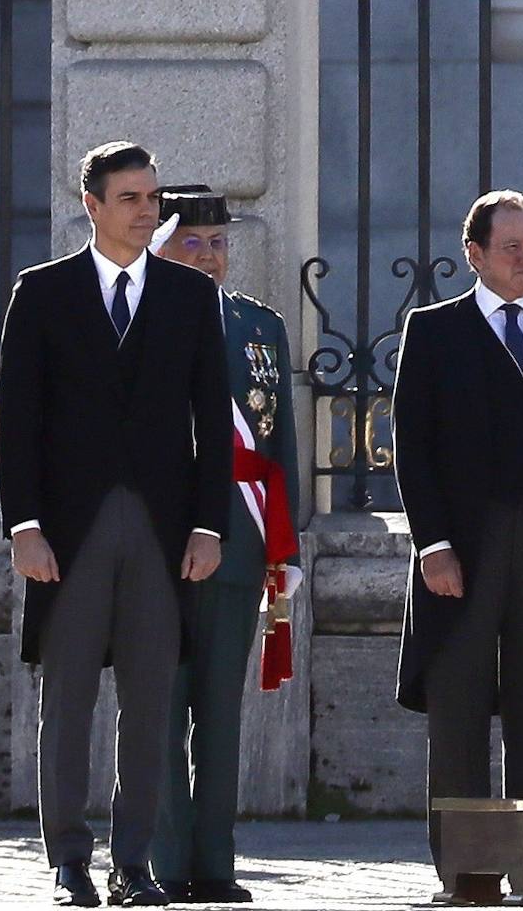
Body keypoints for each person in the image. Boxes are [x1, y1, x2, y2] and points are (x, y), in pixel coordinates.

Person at [0, 142, 231, 907]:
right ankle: (68, 859)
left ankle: (133, 862)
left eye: (153, 196)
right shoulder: (41, 292)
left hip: (163, 529)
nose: (147, 211)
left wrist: (209, 527)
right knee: (67, 698)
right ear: (93, 206)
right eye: (130, 197)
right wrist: (24, 526)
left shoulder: (192, 297)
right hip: (68, 531)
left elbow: (212, 425)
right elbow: (19, 422)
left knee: (150, 698)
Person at [391, 190, 523, 895]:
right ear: (475, 255)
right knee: (457, 709)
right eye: (511, 247)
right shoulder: (433, 331)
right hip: (463, 547)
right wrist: (433, 544)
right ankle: (469, 869)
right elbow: (412, 449)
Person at [149, 187, 301, 904]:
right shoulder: (140, 320)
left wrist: (285, 546)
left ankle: (215, 863)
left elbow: (279, 446)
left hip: (240, 538)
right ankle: (164, 860)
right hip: (159, 540)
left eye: (218, 244)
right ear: (163, 245)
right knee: (159, 706)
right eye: (193, 243)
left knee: (220, 710)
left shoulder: (258, 325)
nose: (209, 257)